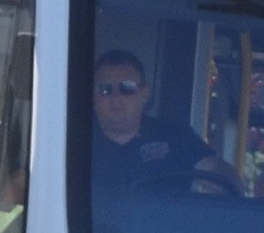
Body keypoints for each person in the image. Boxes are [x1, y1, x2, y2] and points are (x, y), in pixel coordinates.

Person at [89, 48, 218, 195]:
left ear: (144, 94)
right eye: (105, 89)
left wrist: (224, 178)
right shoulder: (72, 141)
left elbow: (213, 168)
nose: (116, 97)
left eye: (127, 87)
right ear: (93, 95)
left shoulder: (174, 136)